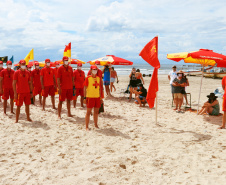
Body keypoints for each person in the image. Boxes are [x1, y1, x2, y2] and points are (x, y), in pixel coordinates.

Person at [84, 65, 103, 131]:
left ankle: (95, 124)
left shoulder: (98, 78)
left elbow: (99, 89)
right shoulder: (88, 78)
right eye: (93, 69)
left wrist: (100, 98)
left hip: (97, 97)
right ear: (91, 70)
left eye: (96, 69)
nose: (95, 71)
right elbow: (85, 88)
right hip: (90, 97)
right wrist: (84, 97)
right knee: (88, 112)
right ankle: (86, 126)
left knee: (96, 111)